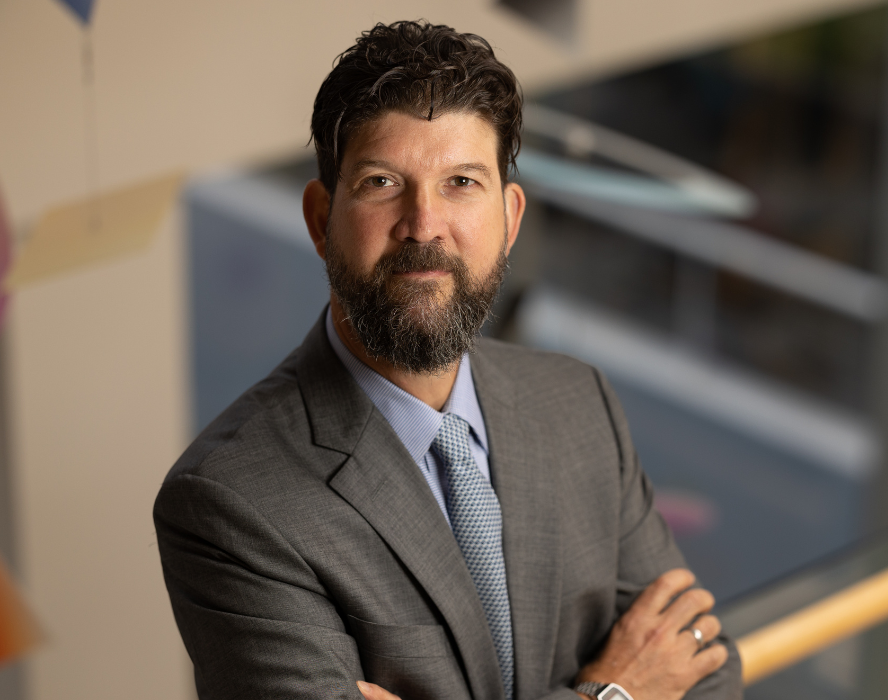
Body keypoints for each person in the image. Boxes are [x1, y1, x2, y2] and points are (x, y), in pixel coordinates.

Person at [154, 20, 742, 700]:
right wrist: (616, 692)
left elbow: (707, 675)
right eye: (381, 182)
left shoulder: (578, 403)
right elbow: (657, 681)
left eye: (461, 182)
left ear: (510, 218)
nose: (424, 224)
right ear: (321, 220)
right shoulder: (233, 500)